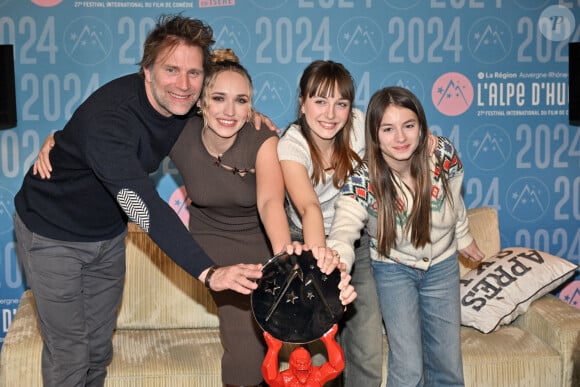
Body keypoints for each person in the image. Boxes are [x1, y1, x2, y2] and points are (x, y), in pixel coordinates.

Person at [13, 14, 274, 387]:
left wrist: (248, 115)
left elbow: (222, 110)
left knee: (99, 349)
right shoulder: (112, 121)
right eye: (171, 70)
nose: (183, 84)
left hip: (105, 235)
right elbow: (144, 208)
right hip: (52, 232)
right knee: (70, 350)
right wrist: (209, 273)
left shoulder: (182, 106)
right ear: (146, 70)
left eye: (194, 74)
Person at [169, 49, 356, 386]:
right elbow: (122, 149)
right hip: (213, 247)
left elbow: (271, 201)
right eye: (219, 98)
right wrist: (63, 141)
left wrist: (286, 265)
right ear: (201, 101)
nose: (230, 111)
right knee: (246, 349)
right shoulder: (178, 134)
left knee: (306, 333)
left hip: (261, 243)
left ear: (251, 104)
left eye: (241, 100)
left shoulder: (263, 137)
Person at [327, 86, 485, 387]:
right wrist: (338, 262)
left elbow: (455, 201)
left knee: (448, 364)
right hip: (393, 270)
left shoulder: (442, 154)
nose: (400, 138)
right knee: (409, 367)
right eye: (388, 129)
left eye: (408, 126)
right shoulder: (363, 179)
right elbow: (343, 228)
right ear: (374, 134)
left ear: (421, 126)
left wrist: (464, 238)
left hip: (442, 265)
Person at [277, 60, 383, 386]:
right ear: (302, 102)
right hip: (307, 240)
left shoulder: (359, 126)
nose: (330, 114)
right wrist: (322, 265)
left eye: (341, 103)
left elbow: (399, 136)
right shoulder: (291, 144)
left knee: (366, 341)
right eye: (320, 101)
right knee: (318, 347)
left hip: (354, 237)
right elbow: (309, 208)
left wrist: (428, 141)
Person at [262, 324, 344, 387]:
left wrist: (329, 340)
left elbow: (336, 367)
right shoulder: (286, 378)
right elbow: (271, 378)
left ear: (310, 362)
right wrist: (273, 349)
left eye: (305, 362)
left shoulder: (316, 375)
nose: (302, 366)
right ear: (291, 363)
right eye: (299, 363)